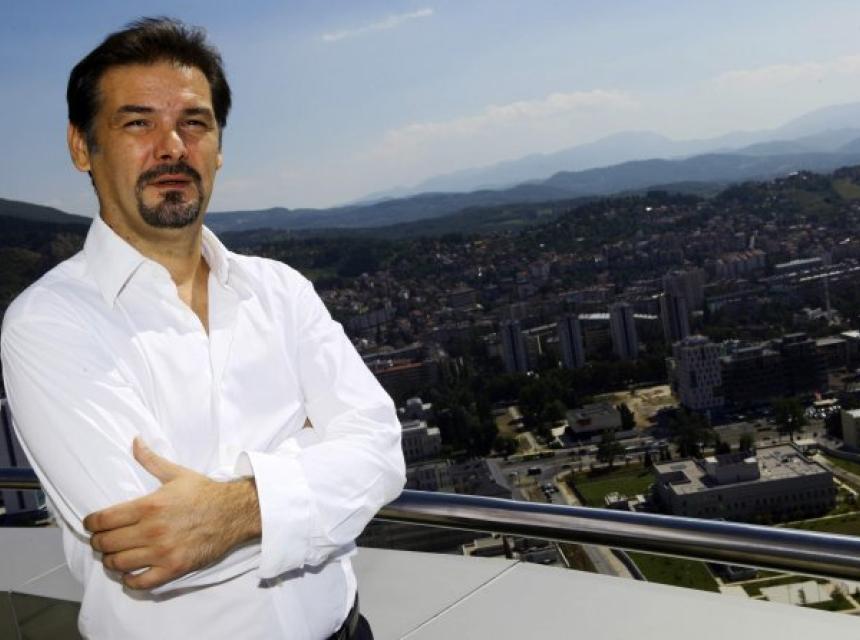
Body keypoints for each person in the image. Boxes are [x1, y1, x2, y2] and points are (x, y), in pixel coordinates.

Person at [0, 17, 405, 640]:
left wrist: (229, 509)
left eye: (194, 122)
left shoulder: (281, 290)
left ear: (218, 147)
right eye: (138, 123)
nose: (172, 147)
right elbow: (146, 547)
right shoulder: (48, 323)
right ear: (82, 147)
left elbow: (379, 453)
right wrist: (308, 458)